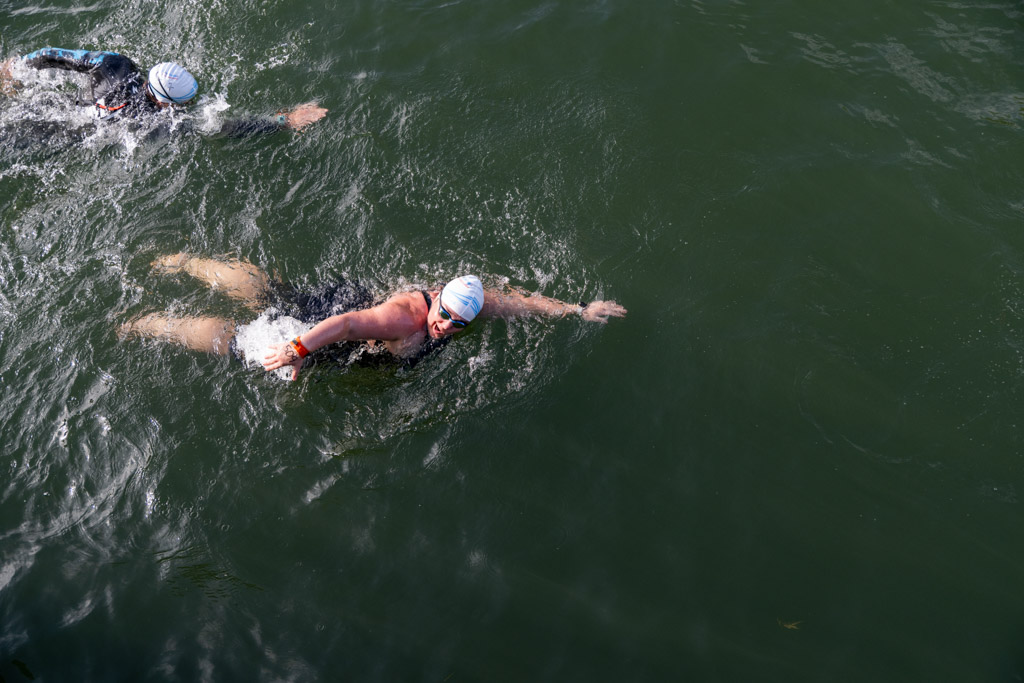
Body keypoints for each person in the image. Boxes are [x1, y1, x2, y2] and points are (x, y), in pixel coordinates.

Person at [120, 253, 628, 381]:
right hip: (335, 327)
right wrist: (299, 349)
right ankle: (144, 323)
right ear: (437, 301)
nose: (447, 326)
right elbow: (345, 327)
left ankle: (187, 264)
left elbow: (519, 302)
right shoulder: (407, 317)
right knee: (246, 341)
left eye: (459, 323)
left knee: (271, 292)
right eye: (445, 316)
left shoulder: (469, 301)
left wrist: (579, 310)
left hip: (349, 314)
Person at [0, 48, 326, 134]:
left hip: (64, 111)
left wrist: (14, 69)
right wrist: (282, 121)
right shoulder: (160, 122)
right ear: (165, 102)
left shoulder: (115, 65)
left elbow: (52, 55)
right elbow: (225, 127)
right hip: (75, 132)